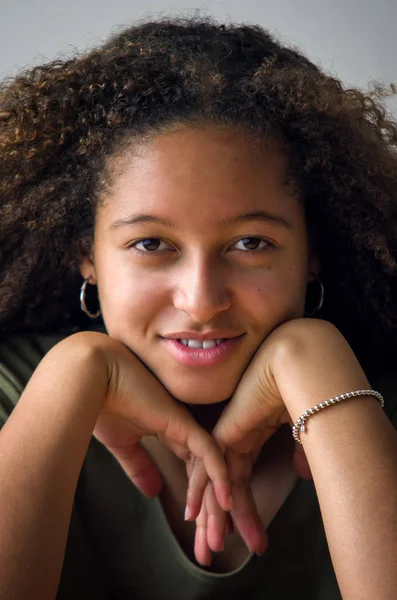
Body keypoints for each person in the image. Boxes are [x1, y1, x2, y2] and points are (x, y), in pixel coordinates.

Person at [0, 15, 397, 600]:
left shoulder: (379, 412)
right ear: (85, 255)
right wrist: (74, 372)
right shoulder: (12, 393)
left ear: (314, 252)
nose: (202, 300)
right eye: (151, 244)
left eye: (251, 243)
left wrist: (316, 365)